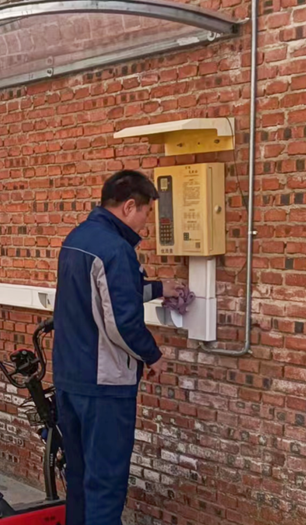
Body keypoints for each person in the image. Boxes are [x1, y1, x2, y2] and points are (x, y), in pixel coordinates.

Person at [53, 169, 181, 525]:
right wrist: (153, 356)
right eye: (146, 213)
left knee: (79, 479)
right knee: (106, 485)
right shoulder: (115, 249)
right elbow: (122, 320)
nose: (145, 225)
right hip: (104, 386)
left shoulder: (77, 239)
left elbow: (105, 293)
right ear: (129, 206)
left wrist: (160, 288)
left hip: (69, 379)